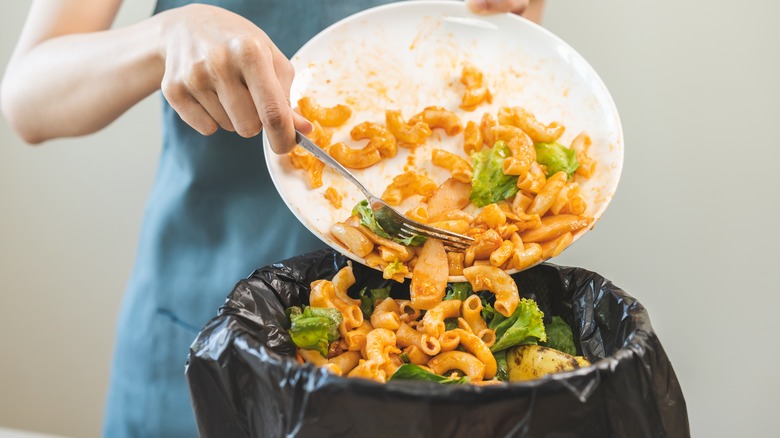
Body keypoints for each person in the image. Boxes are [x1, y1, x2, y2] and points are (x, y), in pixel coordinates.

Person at [1, 0, 545, 436]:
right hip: (204, 326)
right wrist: (164, 38)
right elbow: (28, 98)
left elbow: (506, 52)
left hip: (417, 341)